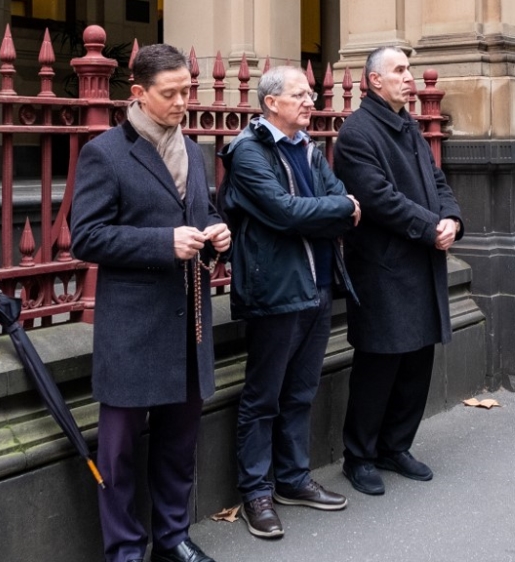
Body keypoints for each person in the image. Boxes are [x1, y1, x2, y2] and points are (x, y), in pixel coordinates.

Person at [70, 43, 230, 562]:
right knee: (116, 454)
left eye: (188, 89)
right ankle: (124, 550)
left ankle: (174, 538)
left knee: (178, 444)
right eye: (171, 93)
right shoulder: (105, 152)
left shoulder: (195, 150)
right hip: (133, 328)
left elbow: (199, 213)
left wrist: (215, 233)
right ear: (137, 93)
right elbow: (86, 237)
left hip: (191, 324)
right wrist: (163, 243)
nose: (184, 101)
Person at [220, 66, 361, 539]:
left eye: (311, 93)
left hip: (318, 286)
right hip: (276, 291)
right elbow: (285, 212)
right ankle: (256, 490)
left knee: (300, 392)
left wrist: (331, 210)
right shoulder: (247, 152)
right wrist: (337, 210)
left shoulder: (310, 149)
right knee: (262, 397)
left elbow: (334, 199)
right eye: (300, 94)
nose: (310, 100)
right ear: (271, 102)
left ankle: (293, 480)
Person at [332, 46, 463, 496]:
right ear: (373, 81)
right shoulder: (357, 133)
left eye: (409, 70)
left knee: (416, 361)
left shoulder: (407, 124)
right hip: (383, 266)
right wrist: (431, 228)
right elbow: (378, 199)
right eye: (400, 71)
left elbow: (438, 180)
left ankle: (395, 445)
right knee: (380, 363)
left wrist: (452, 220)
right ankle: (360, 455)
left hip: (421, 258)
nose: (410, 78)